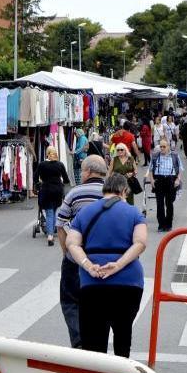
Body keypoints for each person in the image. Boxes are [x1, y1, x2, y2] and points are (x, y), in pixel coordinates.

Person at [65, 173, 148, 358]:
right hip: (128, 283)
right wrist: (118, 265)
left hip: (92, 283)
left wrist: (88, 265)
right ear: (124, 191)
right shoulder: (134, 212)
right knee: (123, 333)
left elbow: (72, 244)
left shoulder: (84, 213)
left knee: (94, 345)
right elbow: (141, 243)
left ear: (104, 190)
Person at [55, 155, 108, 349]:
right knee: (99, 303)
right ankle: (97, 344)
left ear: (86, 172)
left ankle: (79, 343)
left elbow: (60, 225)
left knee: (70, 300)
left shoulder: (74, 193)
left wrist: (66, 251)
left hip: (76, 259)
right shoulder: (113, 193)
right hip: (105, 260)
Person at [35, 147, 71, 246]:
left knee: (49, 213)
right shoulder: (60, 165)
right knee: (54, 211)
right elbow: (66, 179)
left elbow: (35, 177)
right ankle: (53, 230)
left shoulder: (42, 165)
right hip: (57, 191)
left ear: (47, 154)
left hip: (46, 190)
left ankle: (50, 236)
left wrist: (38, 183)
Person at [145, 139, 182, 231]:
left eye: (164, 147)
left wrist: (178, 179)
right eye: (160, 146)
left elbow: (180, 168)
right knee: (160, 204)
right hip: (159, 180)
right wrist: (152, 180)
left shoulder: (175, 155)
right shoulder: (155, 156)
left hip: (170, 180)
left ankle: (168, 225)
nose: (162, 148)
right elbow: (150, 169)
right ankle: (161, 225)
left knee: (169, 204)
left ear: (168, 147)